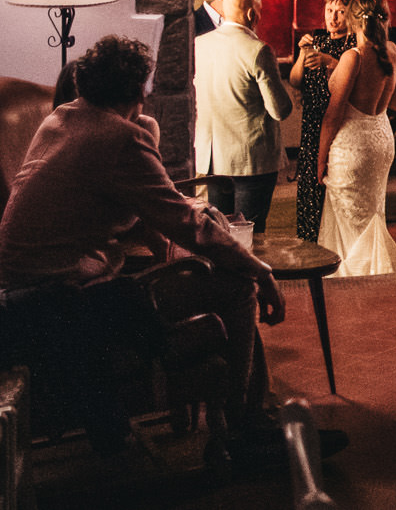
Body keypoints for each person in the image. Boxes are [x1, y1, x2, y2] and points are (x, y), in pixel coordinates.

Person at [0, 36, 297, 460]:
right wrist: (260, 270)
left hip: (19, 293)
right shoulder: (119, 138)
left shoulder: (62, 118)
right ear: (140, 88)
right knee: (236, 285)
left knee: (216, 269)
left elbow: (137, 207)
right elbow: (187, 224)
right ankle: (242, 428)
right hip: (61, 295)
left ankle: (248, 414)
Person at [315, 0, 396, 277]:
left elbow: (332, 118)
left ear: (352, 21)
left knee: (351, 224)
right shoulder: (395, 52)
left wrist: (320, 161)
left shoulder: (353, 57)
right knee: (372, 218)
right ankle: (376, 277)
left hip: (353, 147)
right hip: (382, 142)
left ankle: (358, 281)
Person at [194, 0, 293, 233]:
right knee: (250, 233)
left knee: (220, 232)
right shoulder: (258, 49)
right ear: (252, 15)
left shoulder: (198, 44)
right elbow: (279, 110)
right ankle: (249, 273)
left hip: (214, 160)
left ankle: (222, 273)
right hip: (252, 161)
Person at [289, 0, 354, 243]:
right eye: (329, 11)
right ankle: (309, 241)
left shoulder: (355, 45)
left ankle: (334, 242)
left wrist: (329, 61)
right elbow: (295, 81)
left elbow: (354, 84)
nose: (333, 17)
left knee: (331, 181)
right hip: (312, 121)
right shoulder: (316, 41)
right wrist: (303, 54)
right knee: (309, 185)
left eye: (340, 11)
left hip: (338, 124)